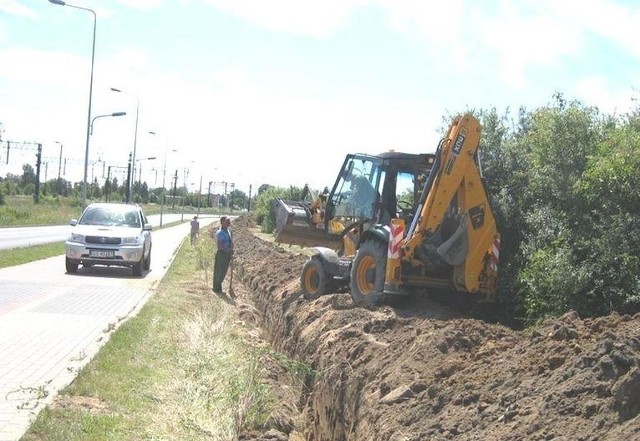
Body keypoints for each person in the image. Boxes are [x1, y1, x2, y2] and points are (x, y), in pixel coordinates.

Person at [212, 216, 233, 294]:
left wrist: (231, 250)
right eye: (227, 221)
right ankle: (216, 288)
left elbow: (230, 242)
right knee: (219, 272)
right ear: (222, 222)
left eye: (229, 220)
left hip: (227, 254)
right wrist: (228, 250)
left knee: (223, 272)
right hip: (222, 254)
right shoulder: (220, 232)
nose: (229, 222)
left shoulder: (228, 231)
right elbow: (220, 246)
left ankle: (218, 287)